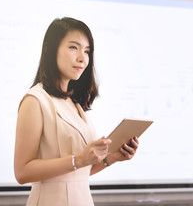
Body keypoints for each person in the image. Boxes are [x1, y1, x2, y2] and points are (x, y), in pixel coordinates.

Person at [14, 17, 139, 206]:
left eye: (87, 51)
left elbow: (78, 172)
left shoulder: (74, 103)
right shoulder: (35, 100)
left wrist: (111, 158)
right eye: (74, 47)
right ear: (50, 48)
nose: (83, 57)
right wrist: (78, 159)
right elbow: (22, 172)